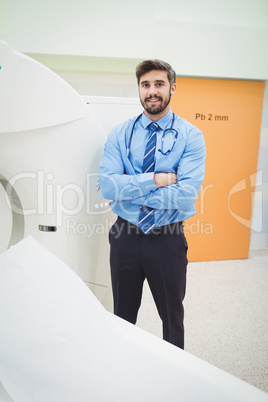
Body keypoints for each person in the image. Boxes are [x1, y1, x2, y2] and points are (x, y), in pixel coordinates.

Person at [98, 59, 206, 349]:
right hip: (125, 236)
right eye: (146, 85)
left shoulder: (191, 137)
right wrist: (156, 180)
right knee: (122, 314)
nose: (152, 91)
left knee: (172, 317)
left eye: (159, 84)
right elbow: (108, 186)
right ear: (139, 90)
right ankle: (123, 370)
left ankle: (174, 378)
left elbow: (185, 194)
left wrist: (129, 187)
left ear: (172, 87)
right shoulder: (120, 134)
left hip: (167, 238)